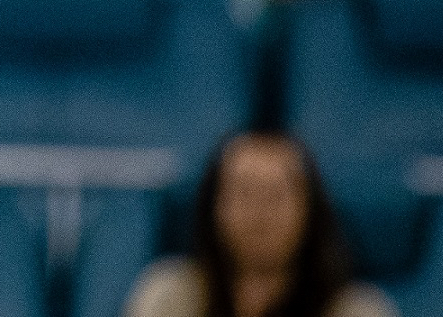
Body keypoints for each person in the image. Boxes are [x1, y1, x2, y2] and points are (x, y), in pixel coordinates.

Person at [124, 133, 397, 317]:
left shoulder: (358, 309)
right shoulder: (169, 296)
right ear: (213, 205)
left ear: (311, 209)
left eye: (276, 195)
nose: (260, 212)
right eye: (244, 193)